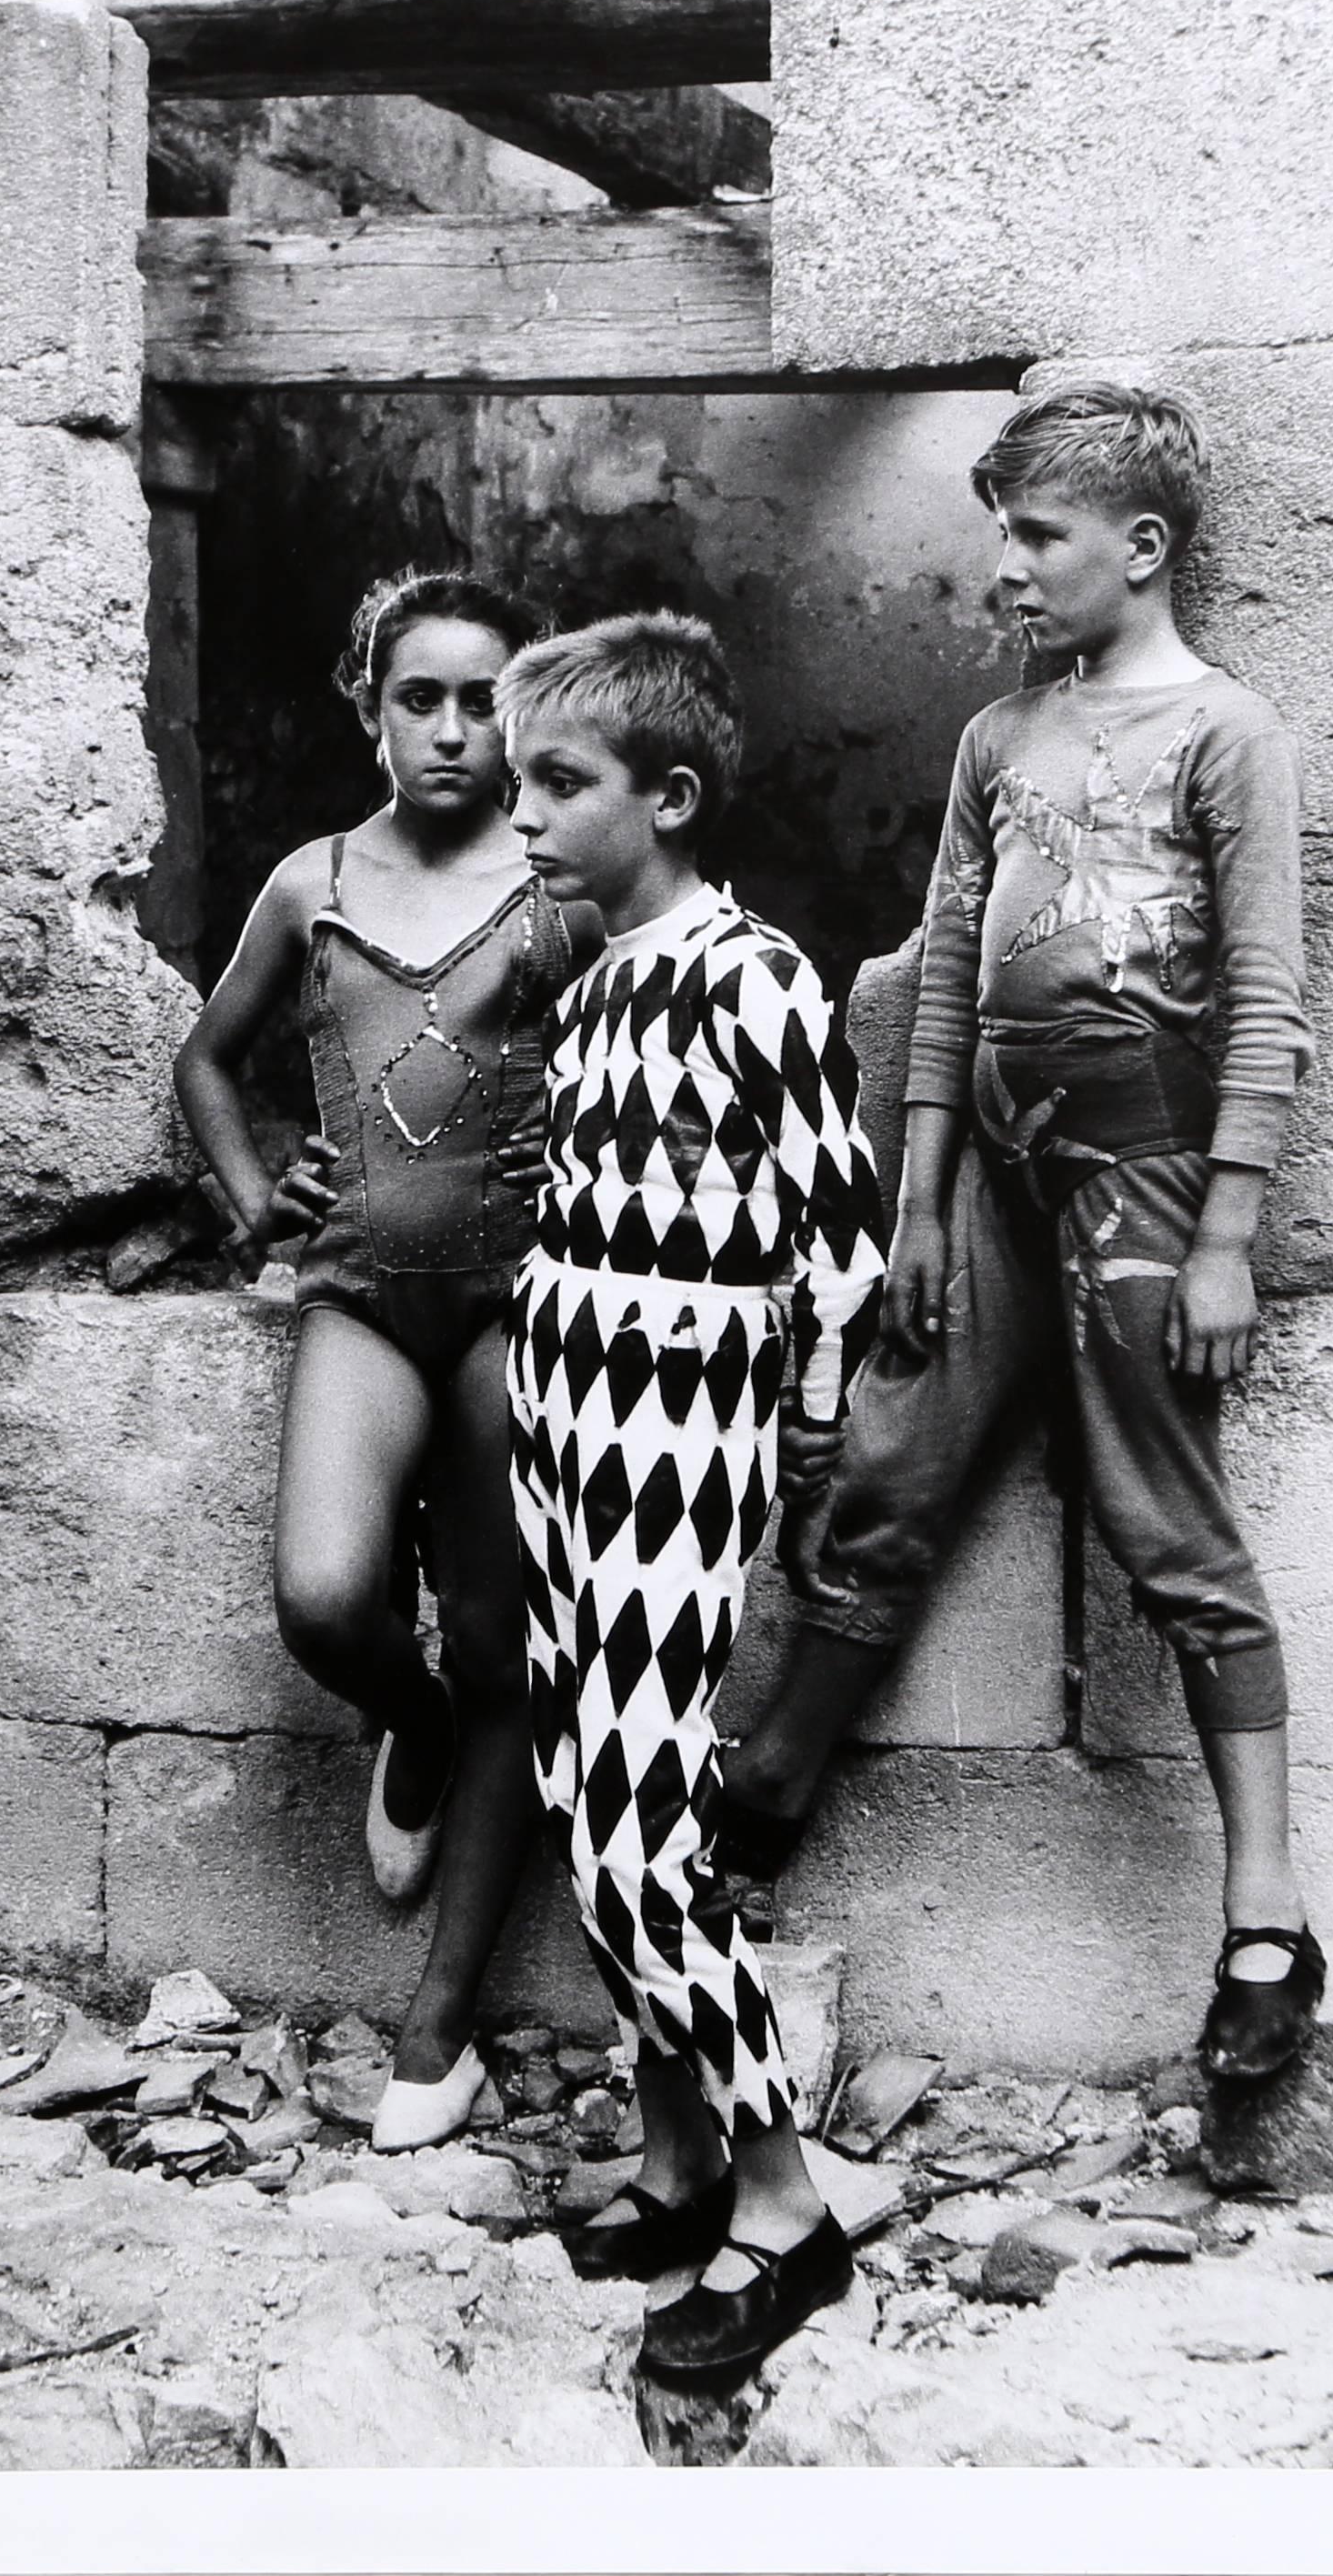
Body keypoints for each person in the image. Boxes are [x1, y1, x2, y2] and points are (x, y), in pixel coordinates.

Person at [714, 380, 1327, 2085]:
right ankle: (771, 1771)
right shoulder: (998, 739)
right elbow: (941, 972)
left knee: (1158, 1511)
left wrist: (1224, 1232)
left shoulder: (1228, 733)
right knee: (885, 1456)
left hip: (1138, 1180)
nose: (1006, 564)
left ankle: (1263, 1902)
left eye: (1036, 533)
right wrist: (912, 1198)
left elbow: (1268, 996)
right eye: (999, 529)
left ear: (1140, 549)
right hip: (982, 1172)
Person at [500, 611, 886, 2388]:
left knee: (652, 1849)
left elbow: (841, 1239)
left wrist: (807, 1424)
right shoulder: (590, 991)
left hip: (678, 1437)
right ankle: (673, 2163)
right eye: (519, 787)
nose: (525, 820)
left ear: (663, 794)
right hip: (564, 1420)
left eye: (557, 787)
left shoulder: (757, 978)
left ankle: (788, 2212)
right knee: (588, 1803)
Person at [174, 570, 596, 2150]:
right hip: (357, 1291)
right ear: (370, 706)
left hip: (514, 1304)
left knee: (508, 1647)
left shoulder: (560, 886)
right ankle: (403, 1720)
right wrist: (250, 1190)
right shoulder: (312, 880)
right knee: (324, 1598)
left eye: (484, 697)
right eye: (419, 695)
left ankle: (441, 2025)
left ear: (525, 713)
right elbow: (210, 1057)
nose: (451, 727)